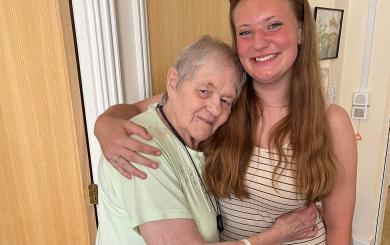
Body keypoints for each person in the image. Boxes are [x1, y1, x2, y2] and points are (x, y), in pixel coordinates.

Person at [95, 0, 357, 244]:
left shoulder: (330, 121)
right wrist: (105, 123)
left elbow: (339, 227)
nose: (259, 42)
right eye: (245, 32)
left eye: (273, 25)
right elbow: (135, 110)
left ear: (301, 31)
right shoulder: (221, 103)